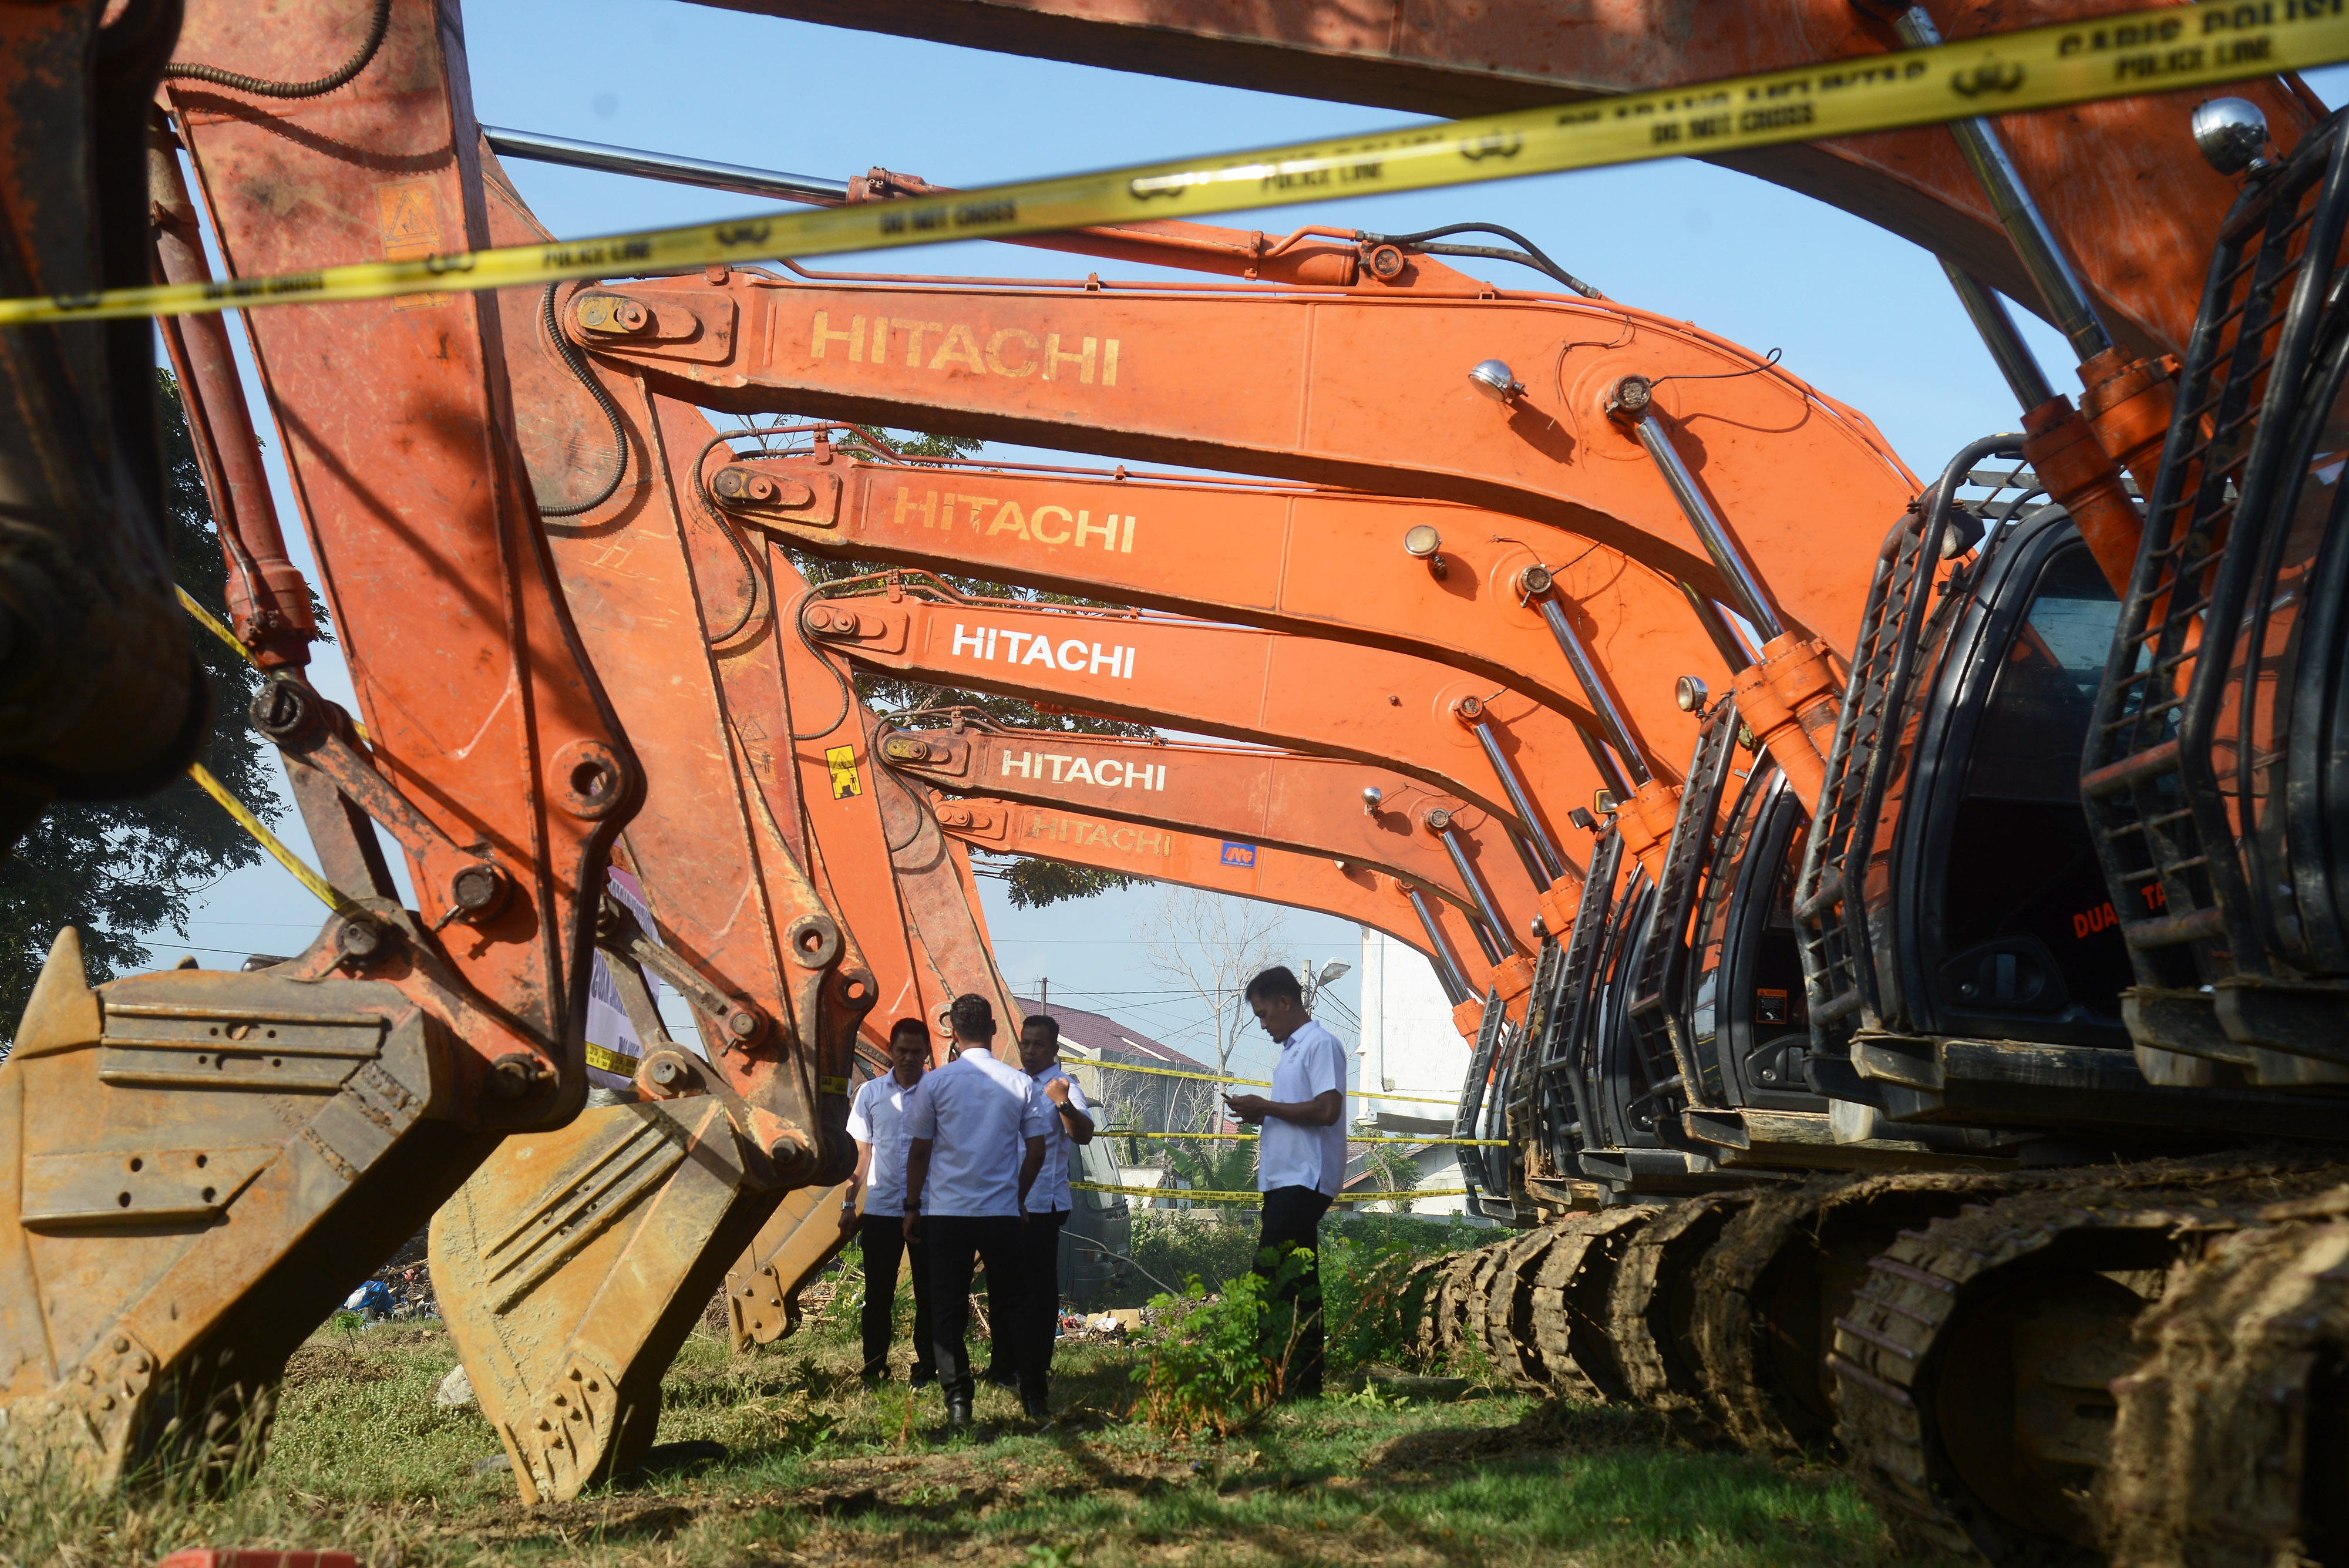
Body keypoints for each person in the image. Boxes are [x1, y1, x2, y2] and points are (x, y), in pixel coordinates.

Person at [903, 993, 1049, 1428]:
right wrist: (1018, 1197)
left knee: (946, 1307)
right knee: (1017, 1304)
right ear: (993, 1030)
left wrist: (912, 1206)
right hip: (1002, 1213)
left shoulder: (935, 1083)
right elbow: (1038, 1151)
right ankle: (1034, 1398)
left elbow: (919, 1153)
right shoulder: (1019, 1083)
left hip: (946, 1213)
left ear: (954, 1033)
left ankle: (958, 1403)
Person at [1223, 964, 1347, 1398]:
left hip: (1304, 1181)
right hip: (1285, 1182)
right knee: (1298, 1282)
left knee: (1272, 1276)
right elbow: (1301, 1113)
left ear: (1285, 1003)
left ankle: (1276, 1378)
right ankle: (1300, 1383)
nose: (1262, 1023)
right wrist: (1260, 1112)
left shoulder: (1320, 1044)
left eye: (1263, 1014)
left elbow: (1328, 1111)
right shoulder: (1293, 1051)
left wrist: (1269, 1108)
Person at [981, 1013, 1094, 1409]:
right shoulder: (1010, 1083)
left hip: (1041, 1205)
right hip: (1002, 1203)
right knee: (1002, 1285)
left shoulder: (1064, 1086)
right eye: (1026, 1043)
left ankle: (1036, 1365)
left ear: (1055, 1050)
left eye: (1039, 1045)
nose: (1030, 1051)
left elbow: (1083, 1133)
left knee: (1036, 1290)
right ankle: (1003, 1365)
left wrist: (1061, 1102)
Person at [840, 1017, 935, 1386]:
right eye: (901, 1051)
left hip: (929, 1210)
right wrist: (849, 1204)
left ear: (927, 1052)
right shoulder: (870, 1094)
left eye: (916, 1051)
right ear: (890, 1052)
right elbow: (861, 1156)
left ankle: (926, 1368)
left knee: (930, 1293)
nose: (908, 1058)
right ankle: (874, 1368)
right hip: (880, 1210)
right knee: (878, 1295)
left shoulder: (939, 1092)